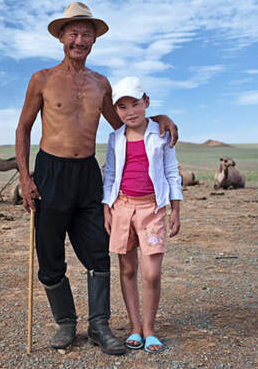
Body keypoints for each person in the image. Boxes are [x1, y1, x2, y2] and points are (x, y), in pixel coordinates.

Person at [15, 2, 179, 355]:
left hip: (87, 174)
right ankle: (65, 324)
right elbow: (24, 128)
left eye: (86, 34)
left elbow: (125, 124)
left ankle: (99, 325)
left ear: (94, 41)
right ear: (61, 37)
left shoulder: (101, 84)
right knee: (49, 253)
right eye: (73, 33)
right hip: (50, 172)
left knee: (98, 251)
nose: (79, 40)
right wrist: (25, 177)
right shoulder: (41, 79)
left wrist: (158, 116)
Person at [102, 76, 182, 353]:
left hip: (153, 208)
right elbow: (110, 174)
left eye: (135, 104)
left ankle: (150, 328)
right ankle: (135, 327)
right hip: (122, 207)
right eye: (122, 107)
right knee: (127, 269)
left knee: (152, 274)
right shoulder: (115, 139)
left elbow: (172, 173)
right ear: (116, 111)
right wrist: (106, 208)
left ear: (146, 102)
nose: (130, 112)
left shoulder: (160, 136)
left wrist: (176, 210)